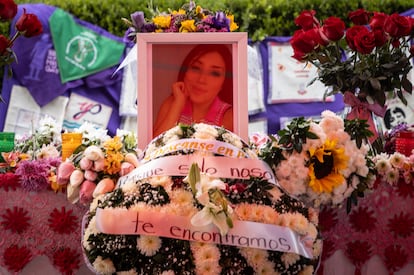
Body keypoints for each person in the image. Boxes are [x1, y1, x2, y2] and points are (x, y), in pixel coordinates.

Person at [153, 44, 233, 137]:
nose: (201, 79)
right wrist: (178, 104)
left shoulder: (228, 116)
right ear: (185, 71)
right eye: (196, 68)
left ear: (224, 82)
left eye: (214, 73)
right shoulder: (172, 103)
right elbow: (154, 147)